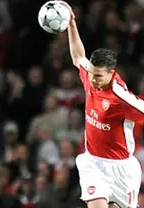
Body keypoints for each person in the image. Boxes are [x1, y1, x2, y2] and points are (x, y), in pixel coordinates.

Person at [64, 2, 142, 208]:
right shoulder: (91, 76)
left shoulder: (121, 98)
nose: (93, 80)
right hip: (93, 163)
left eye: (98, 76)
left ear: (111, 72)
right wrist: (72, 24)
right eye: (91, 75)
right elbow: (78, 57)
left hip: (121, 169)